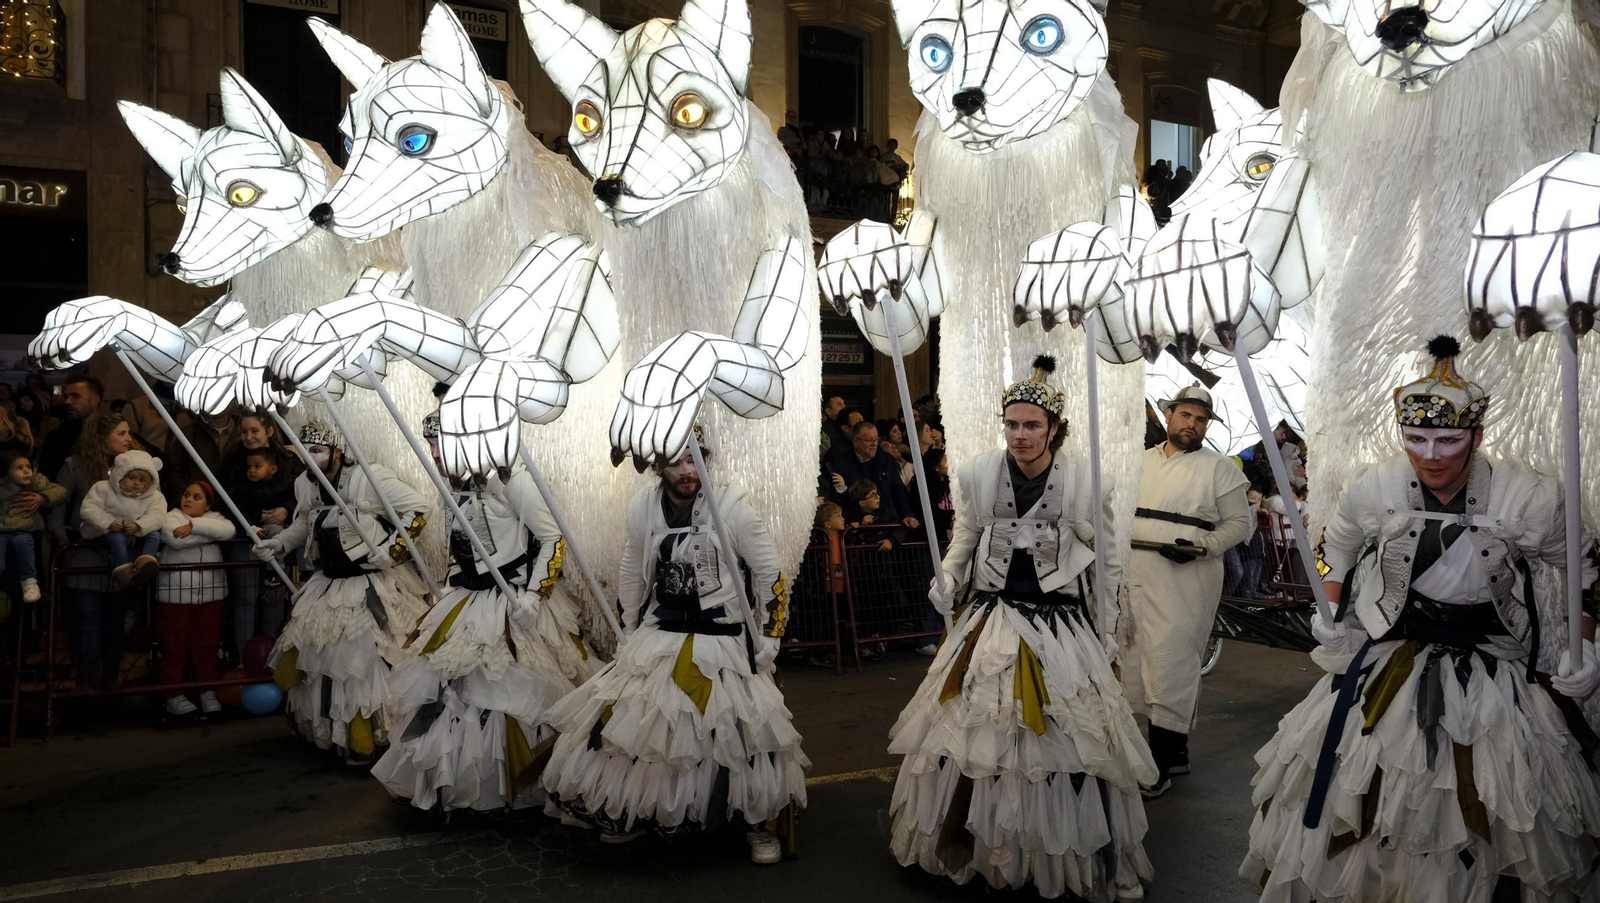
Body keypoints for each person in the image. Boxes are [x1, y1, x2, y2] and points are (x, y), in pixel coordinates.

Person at [1241, 336, 1600, 900]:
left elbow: (1586, 570)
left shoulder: (1527, 496)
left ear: (1477, 435)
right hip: (1390, 655)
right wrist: (1329, 611)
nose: (1431, 455)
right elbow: (1334, 549)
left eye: (1448, 440)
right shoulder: (1374, 486)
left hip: (1493, 667)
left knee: (1500, 802)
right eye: (1415, 438)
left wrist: (1586, 645)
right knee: (1361, 789)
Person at [894, 356, 1154, 901]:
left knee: (1070, 737)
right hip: (991, 618)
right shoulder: (979, 473)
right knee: (978, 733)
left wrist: (1107, 626)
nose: (1020, 435)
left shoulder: (1087, 481)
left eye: (1032, 425)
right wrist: (948, 576)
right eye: (1011, 424)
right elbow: (966, 536)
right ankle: (979, 847)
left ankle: (1071, 853)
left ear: (1054, 429)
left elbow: (1107, 563)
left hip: (1060, 625)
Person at [541, 433, 807, 864]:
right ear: (657, 466)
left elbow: (769, 571)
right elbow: (633, 569)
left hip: (722, 639)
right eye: (675, 462)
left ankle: (756, 824)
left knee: (743, 733)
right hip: (661, 632)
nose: (686, 471)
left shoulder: (732, 505)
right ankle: (639, 810)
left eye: (693, 460)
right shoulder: (642, 508)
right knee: (641, 730)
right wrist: (628, 627)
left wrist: (771, 636)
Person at [375, 413, 593, 813]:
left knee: (511, 687)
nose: (435, 453)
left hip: (514, 602)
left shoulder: (512, 481)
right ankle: (455, 782)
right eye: (431, 444)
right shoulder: (450, 486)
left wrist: (534, 596)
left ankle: (520, 780)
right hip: (467, 600)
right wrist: (450, 585)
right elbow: (460, 548)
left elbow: (552, 537)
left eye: (442, 442)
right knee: (450, 687)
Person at [258, 421, 432, 763]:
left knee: (369, 664)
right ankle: (338, 734)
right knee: (322, 660)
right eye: (304, 452)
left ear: (337, 451)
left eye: (317, 451)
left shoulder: (369, 477)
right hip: (329, 584)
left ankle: (380, 736)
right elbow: (304, 522)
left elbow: (419, 508)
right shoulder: (304, 484)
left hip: (372, 584)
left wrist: (394, 550)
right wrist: (279, 544)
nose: (309, 458)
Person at [1122, 384, 1253, 798]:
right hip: (1135, 571)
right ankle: (1174, 755)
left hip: (1187, 578)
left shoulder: (1220, 468)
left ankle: (1158, 766)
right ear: (1169, 415)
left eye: (1200, 419)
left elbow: (1241, 524)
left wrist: (1203, 546)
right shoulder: (1139, 461)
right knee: (1135, 660)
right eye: (1185, 415)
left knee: (1170, 664)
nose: (1191, 424)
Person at [49, 414, 138, 688]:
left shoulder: (135, 466)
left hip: (120, 557)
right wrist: (60, 531)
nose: (128, 438)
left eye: (128, 432)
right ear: (102, 438)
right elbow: (59, 503)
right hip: (85, 555)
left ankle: (110, 679)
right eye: (121, 433)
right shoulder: (75, 466)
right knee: (87, 621)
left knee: (114, 623)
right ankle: (87, 681)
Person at [155, 481, 237, 717]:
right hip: (175, 595)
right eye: (186, 494)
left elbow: (229, 531)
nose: (188, 499)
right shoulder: (171, 516)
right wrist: (209, 534)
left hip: (210, 594)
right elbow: (174, 539)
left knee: (208, 645)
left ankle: (207, 689)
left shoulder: (216, 517)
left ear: (208, 505)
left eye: (196, 497)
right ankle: (173, 693)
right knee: (174, 646)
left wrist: (194, 527)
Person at [221, 414, 303, 645]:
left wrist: (287, 510)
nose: (249, 437)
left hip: (279, 534)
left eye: (254, 430)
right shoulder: (233, 463)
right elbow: (227, 500)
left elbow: (305, 492)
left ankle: (271, 651)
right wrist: (250, 524)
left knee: (274, 595)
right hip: (245, 535)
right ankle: (242, 655)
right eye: (244, 432)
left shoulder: (289, 460)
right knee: (245, 597)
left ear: (268, 431)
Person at [78, 449, 166, 590]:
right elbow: (88, 508)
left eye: (141, 480)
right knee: (117, 538)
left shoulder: (155, 497)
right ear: (121, 476)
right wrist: (109, 522)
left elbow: (158, 515)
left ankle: (145, 563)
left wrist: (139, 525)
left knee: (154, 535)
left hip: (135, 533)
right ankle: (125, 573)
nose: (136, 483)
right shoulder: (102, 488)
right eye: (131, 478)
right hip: (105, 531)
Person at [0, 450, 65, 603]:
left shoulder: (36, 482)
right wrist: (12, 489)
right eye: (19, 468)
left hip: (24, 529)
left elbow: (60, 491)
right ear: (7, 472)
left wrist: (43, 498)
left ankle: (29, 581)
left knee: (24, 543)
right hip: (2, 530)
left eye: (28, 467)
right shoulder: (3, 487)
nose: (26, 471)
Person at [826, 421, 918, 528]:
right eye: (869, 440)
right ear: (855, 442)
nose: (874, 444)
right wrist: (858, 517)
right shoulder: (839, 462)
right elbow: (838, 499)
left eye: (876, 439)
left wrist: (906, 514)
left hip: (885, 522)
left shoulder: (887, 461)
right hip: (854, 525)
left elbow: (898, 490)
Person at [38, 375, 102, 479]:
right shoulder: (57, 438)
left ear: (94, 400)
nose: (67, 401)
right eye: (66, 397)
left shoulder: (108, 432)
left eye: (75, 396)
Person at [907, 446, 953, 539]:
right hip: (930, 537)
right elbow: (927, 514)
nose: (950, 463)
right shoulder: (922, 486)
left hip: (949, 536)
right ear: (936, 467)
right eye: (946, 460)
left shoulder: (951, 484)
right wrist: (950, 518)